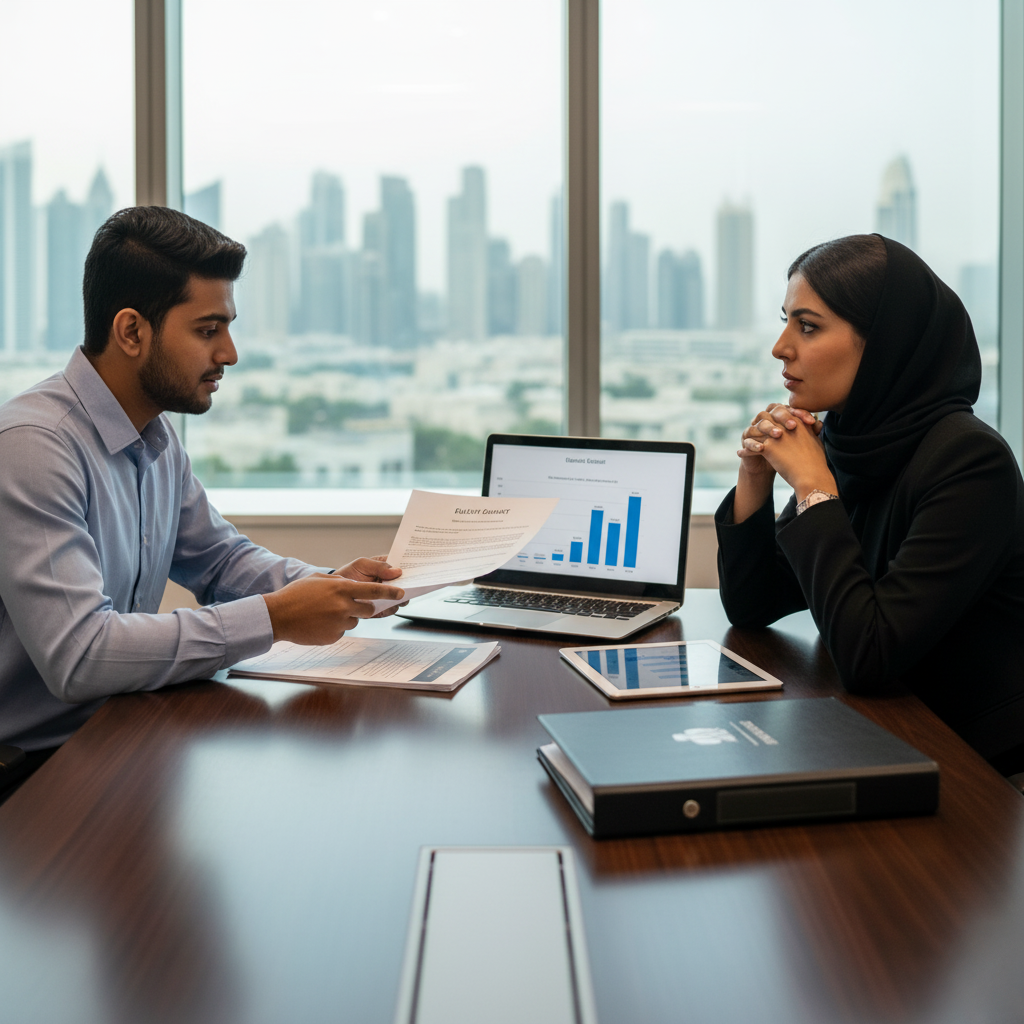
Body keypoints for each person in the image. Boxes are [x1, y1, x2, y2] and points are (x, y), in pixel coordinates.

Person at [0, 207, 405, 788]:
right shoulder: (34, 448)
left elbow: (221, 561)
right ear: (132, 331)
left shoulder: (155, 438)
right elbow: (81, 655)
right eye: (207, 330)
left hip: (118, 735)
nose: (230, 354)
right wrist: (277, 616)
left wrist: (336, 586)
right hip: (30, 773)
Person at [715, 234, 1024, 776]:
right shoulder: (849, 439)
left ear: (884, 341)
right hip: (883, 735)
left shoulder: (971, 462)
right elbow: (753, 604)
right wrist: (754, 475)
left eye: (807, 326)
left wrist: (814, 486)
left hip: (974, 764)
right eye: (785, 321)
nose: (781, 346)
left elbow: (870, 656)